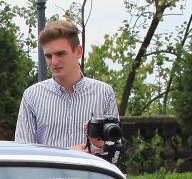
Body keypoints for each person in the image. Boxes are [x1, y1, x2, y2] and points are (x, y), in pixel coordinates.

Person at [14, 19, 119, 153]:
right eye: (48, 56)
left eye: (60, 54)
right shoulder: (32, 96)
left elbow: (116, 151)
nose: (54, 62)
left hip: (91, 167)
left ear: (78, 51)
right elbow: (23, 152)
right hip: (48, 168)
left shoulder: (104, 93)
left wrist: (98, 145)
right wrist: (68, 155)